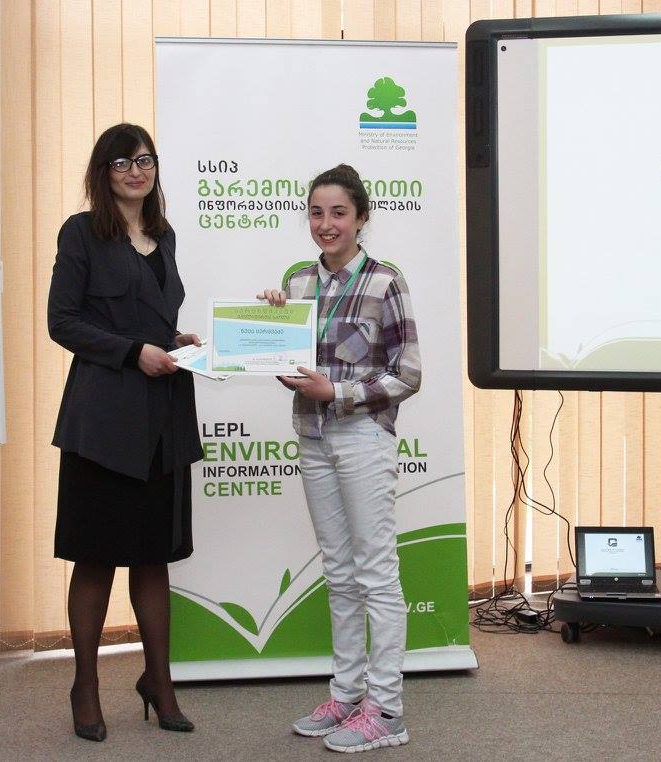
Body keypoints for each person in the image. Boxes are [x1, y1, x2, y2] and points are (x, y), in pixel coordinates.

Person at [47, 123, 202, 742]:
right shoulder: (82, 232)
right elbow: (63, 321)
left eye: (145, 160)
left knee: (152, 557)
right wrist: (133, 351)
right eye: (122, 162)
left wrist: (175, 341)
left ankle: (158, 682)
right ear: (103, 171)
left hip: (162, 417)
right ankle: (84, 686)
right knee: (95, 559)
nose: (136, 171)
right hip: (103, 422)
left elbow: (152, 319)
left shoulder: (164, 236)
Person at [258, 164, 421, 753]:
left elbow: (408, 374)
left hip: (362, 436)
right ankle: (348, 694)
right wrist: (270, 334)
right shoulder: (298, 281)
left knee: (376, 571)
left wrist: (340, 392)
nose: (326, 224)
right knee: (339, 571)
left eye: (338, 213)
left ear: (361, 217)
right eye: (316, 213)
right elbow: (289, 366)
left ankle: (387, 710)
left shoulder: (385, 281)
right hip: (313, 436)